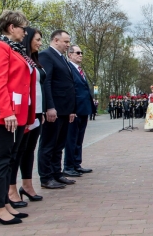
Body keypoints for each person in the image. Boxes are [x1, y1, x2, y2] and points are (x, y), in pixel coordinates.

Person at [0, 10, 36, 225]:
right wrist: (6, 112)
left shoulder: (15, 50)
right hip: (3, 115)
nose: (26, 32)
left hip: (17, 115)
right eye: (23, 28)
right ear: (12, 27)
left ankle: (4, 203)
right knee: (1, 161)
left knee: (9, 160)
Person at [8, 27, 45, 208]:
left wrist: (43, 110)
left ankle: (27, 185)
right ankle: (11, 189)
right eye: (37, 39)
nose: (39, 43)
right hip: (24, 110)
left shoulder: (34, 60)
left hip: (37, 110)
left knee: (29, 150)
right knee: (17, 150)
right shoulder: (20, 57)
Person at [38, 30, 76, 189]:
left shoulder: (62, 58)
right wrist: (49, 107)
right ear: (55, 40)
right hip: (54, 109)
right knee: (48, 144)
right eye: (66, 42)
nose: (68, 45)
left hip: (65, 109)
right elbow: (46, 82)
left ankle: (56, 173)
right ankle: (46, 177)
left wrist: (71, 109)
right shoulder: (46, 55)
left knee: (59, 144)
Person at [63, 45, 94, 177]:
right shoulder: (68, 69)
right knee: (71, 138)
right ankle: (68, 166)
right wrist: (71, 109)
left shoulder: (80, 70)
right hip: (74, 110)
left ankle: (76, 163)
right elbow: (70, 90)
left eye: (82, 52)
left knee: (79, 139)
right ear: (70, 54)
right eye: (78, 52)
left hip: (83, 109)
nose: (81, 55)